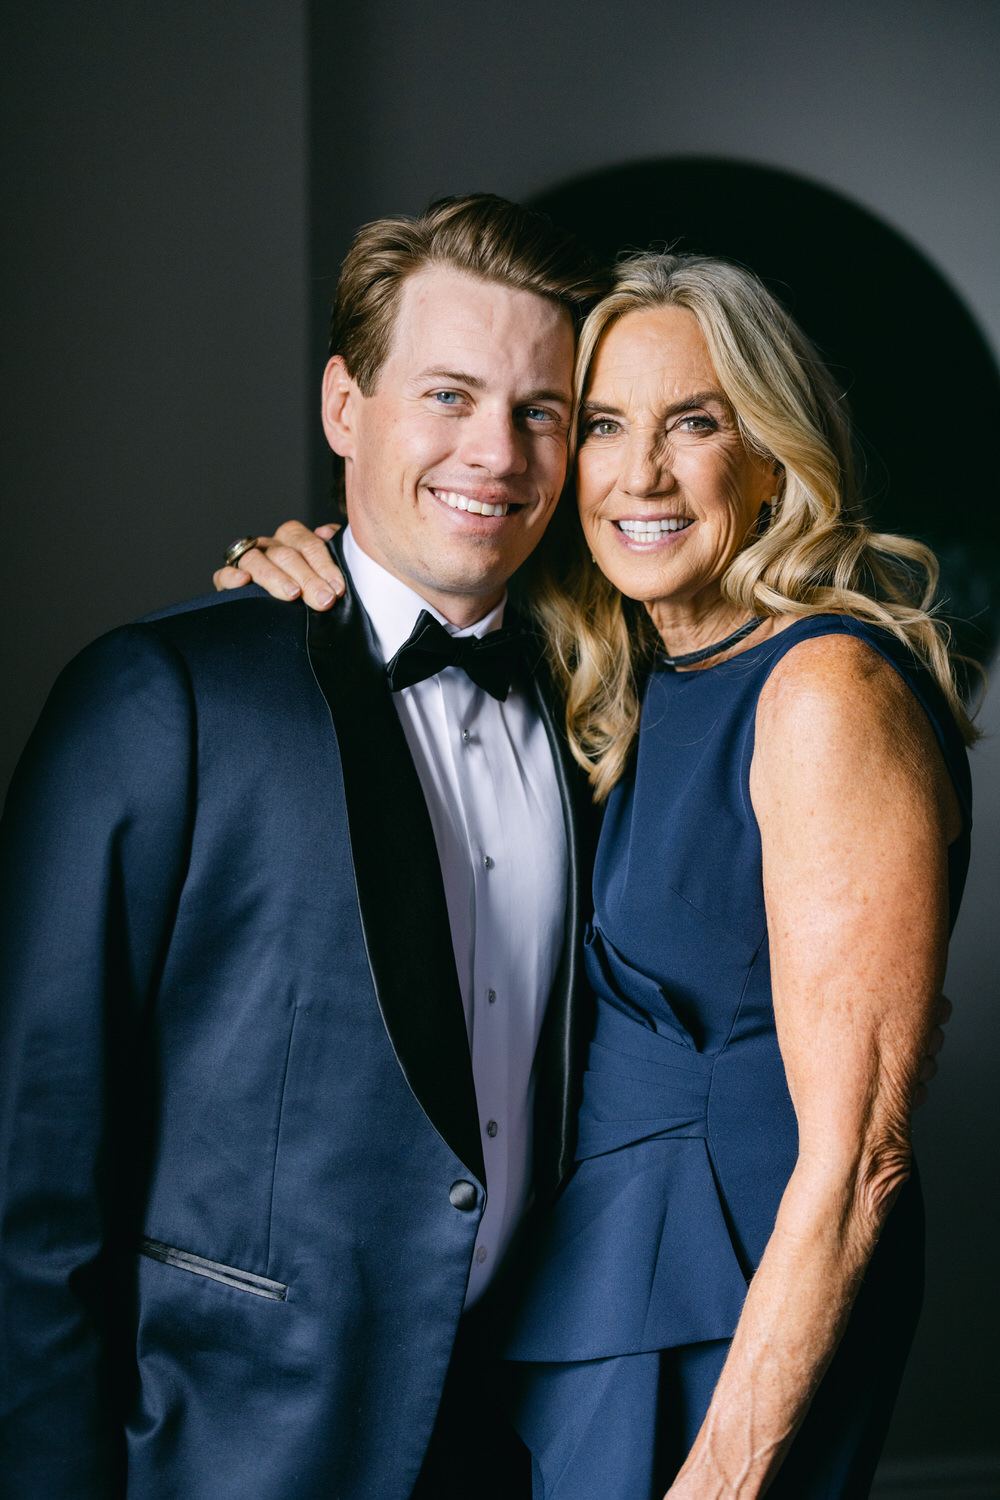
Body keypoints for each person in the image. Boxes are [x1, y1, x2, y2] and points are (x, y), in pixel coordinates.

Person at [227, 251, 973, 1499]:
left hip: (733, 1310)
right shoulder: (635, 680)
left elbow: (860, 1164)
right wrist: (307, 565)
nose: (639, 473)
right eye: (604, 425)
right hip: (602, 1279)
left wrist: (721, 1481)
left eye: (695, 422)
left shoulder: (822, 690)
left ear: (773, 449)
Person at [0, 194, 608, 1500]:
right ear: (346, 407)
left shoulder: (597, 713)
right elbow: (25, 1180)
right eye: (447, 395)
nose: (495, 453)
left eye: (540, 410)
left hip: (514, 1448)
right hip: (222, 1452)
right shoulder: (161, 696)